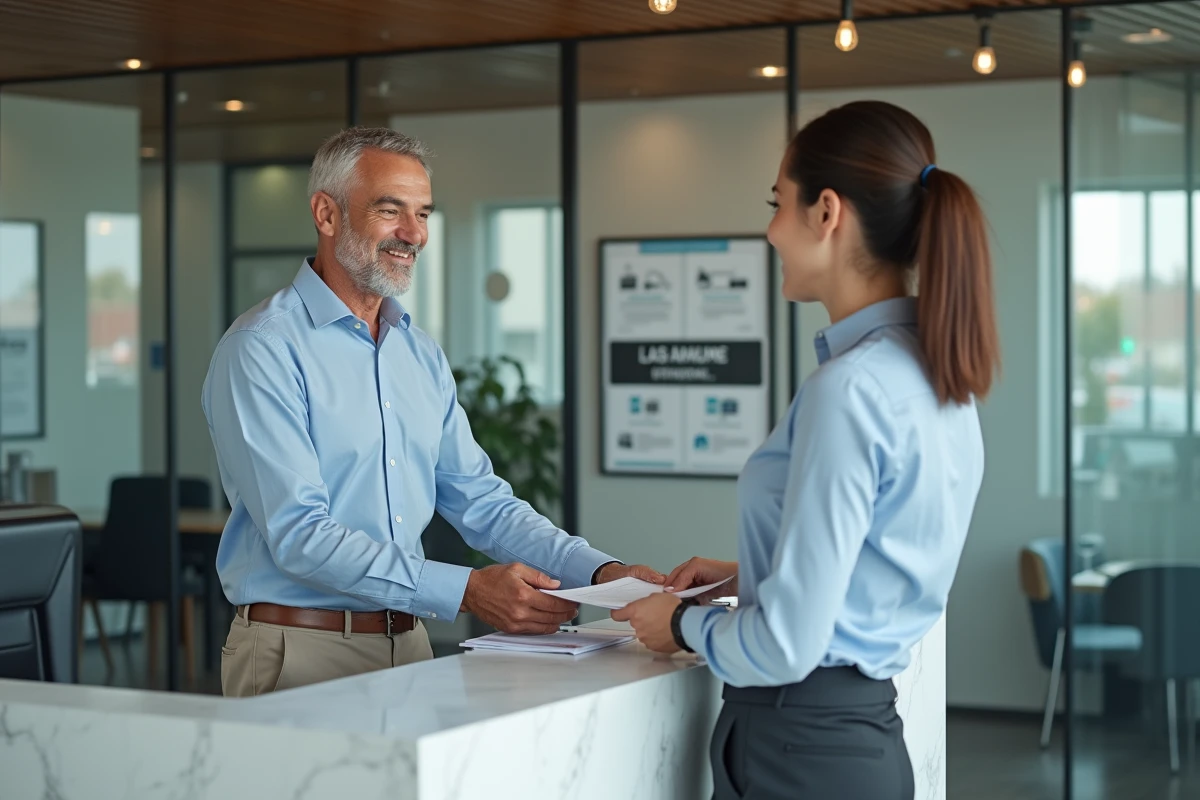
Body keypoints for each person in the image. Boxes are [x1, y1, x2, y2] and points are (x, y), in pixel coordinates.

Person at [613, 101, 999, 800]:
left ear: (827, 212)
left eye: (777, 203)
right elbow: (883, 553)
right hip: (860, 743)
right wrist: (747, 573)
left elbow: (787, 645)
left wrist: (679, 621)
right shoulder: (937, 375)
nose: (769, 231)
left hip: (800, 751)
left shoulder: (848, 389)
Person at [204, 127, 660, 697]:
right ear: (326, 213)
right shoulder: (263, 347)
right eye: (390, 210)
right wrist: (467, 590)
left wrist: (600, 574)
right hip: (300, 651)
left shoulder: (417, 352)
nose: (413, 234)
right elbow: (300, 535)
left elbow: (482, 501)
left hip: (411, 647)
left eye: (423, 214)